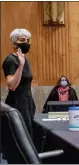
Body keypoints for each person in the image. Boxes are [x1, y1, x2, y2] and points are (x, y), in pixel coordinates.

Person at [1, 29, 35, 162]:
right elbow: (11, 86)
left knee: (29, 137)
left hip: (27, 102)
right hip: (17, 103)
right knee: (20, 142)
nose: (26, 42)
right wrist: (20, 66)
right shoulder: (11, 60)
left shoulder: (25, 60)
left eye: (28, 40)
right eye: (22, 40)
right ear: (15, 43)